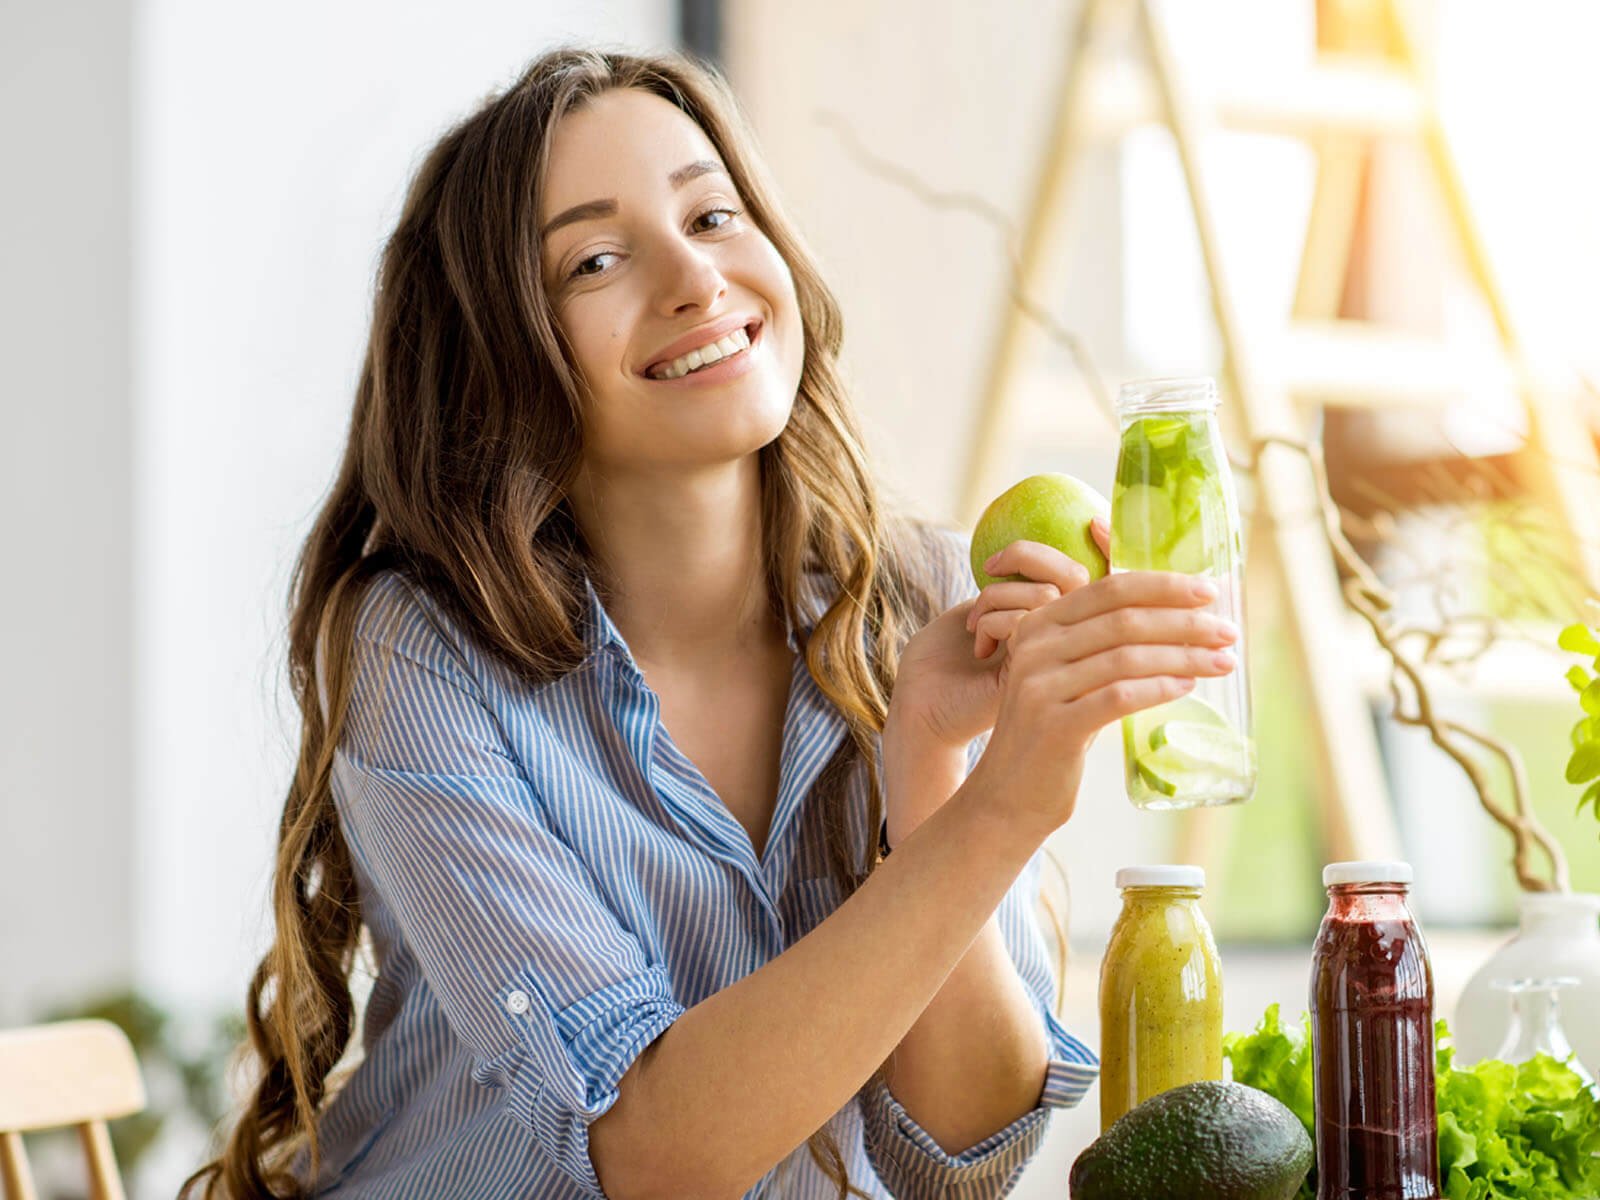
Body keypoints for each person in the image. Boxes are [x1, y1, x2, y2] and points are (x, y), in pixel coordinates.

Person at [180, 45, 1238, 1200]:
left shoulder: (919, 598)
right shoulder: (422, 652)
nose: (694, 279)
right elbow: (646, 1156)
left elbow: (959, 1158)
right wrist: (1001, 813)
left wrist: (931, 775)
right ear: (494, 352)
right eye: (594, 259)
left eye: (714, 215)